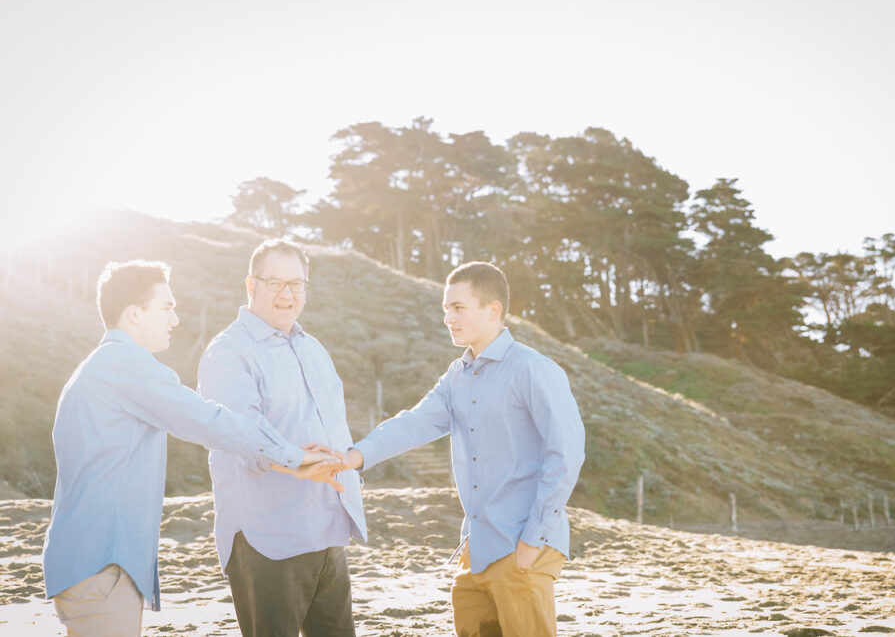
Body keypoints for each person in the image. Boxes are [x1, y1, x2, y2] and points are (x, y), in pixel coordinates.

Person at [42, 260, 343, 637]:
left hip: (89, 561)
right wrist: (295, 457)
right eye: (166, 307)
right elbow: (210, 420)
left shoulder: (97, 367)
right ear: (135, 313)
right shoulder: (126, 366)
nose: (175, 319)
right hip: (104, 563)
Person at [334, 261, 585, 637]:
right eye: (445, 309)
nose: (448, 318)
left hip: (523, 545)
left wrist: (533, 540)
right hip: (476, 549)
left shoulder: (532, 369)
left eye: (458, 307)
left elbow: (566, 455)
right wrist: (352, 457)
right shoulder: (457, 375)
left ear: (493, 309)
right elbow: (413, 423)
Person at [197, 239, 367, 637]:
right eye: (275, 282)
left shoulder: (313, 348)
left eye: (297, 283)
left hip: (326, 530)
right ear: (251, 285)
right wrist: (298, 461)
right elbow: (240, 435)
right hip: (268, 538)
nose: (288, 294)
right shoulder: (229, 352)